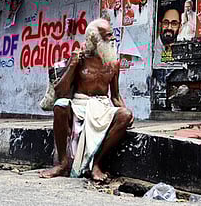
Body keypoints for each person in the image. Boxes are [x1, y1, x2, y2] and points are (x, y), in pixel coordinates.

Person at [39, 19, 134, 181]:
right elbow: (61, 91)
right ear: (94, 39)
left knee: (125, 115)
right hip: (79, 106)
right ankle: (62, 164)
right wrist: (72, 65)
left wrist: (127, 114)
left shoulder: (113, 63)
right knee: (60, 105)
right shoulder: (79, 59)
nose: (112, 39)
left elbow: (115, 96)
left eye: (112, 35)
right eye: (107, 36)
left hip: (102, 107)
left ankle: (96, 164)